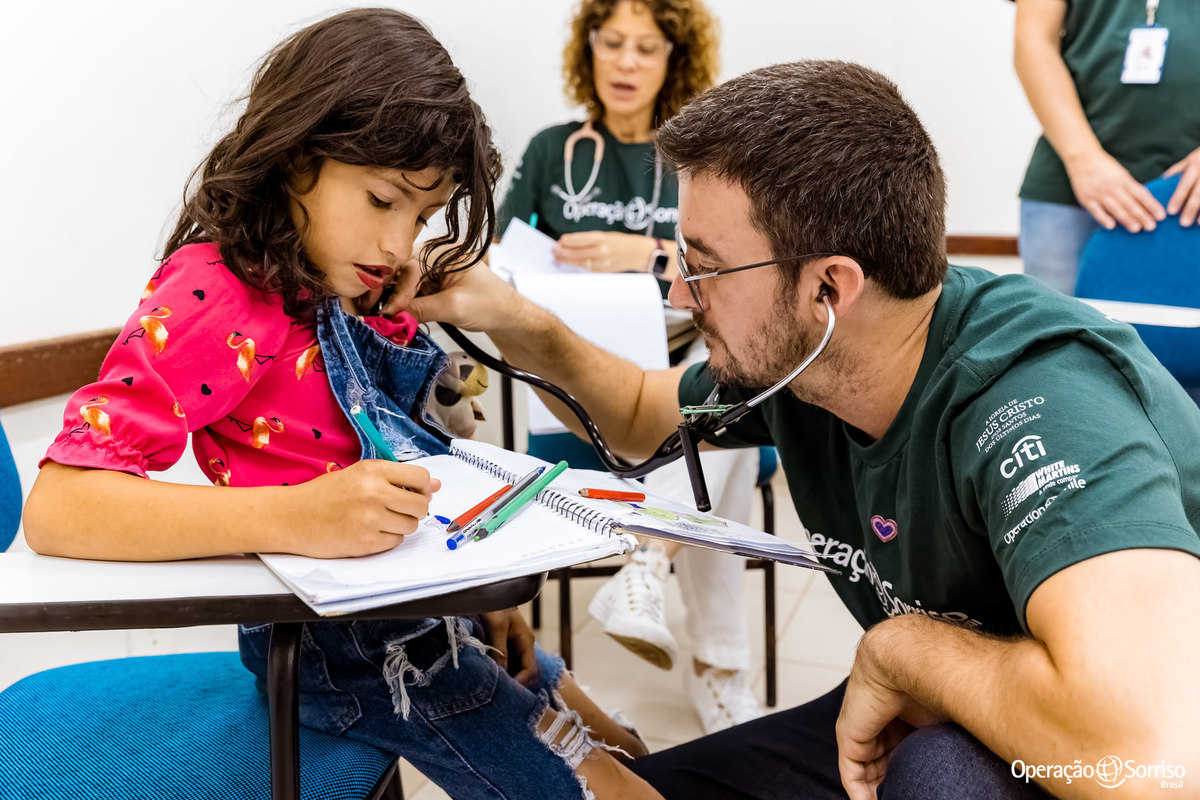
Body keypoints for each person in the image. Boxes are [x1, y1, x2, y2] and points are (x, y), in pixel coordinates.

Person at [398, 60, 1200, 798]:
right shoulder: (808, 360)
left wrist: (902, 649)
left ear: (828, 288)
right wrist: (512, 317)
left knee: (940, 776)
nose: (681, 293)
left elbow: (1148, 756)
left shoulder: (1036, 400)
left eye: (704, 264)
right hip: (948, 704)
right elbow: (644, 414)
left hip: (1109, 747)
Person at [20, 10, 659, 799]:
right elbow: (59, 505)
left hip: (434, 617)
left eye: (420, 218)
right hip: (350, 657)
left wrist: (474, 598)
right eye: (383, 200)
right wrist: (297, 515)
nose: (398, 245)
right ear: (296, 157)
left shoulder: (355, 283)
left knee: (632, 753)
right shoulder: (215, 298)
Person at [497, 0, 763, 733]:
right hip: (580, 386)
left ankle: (649, 567)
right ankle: (717, 662)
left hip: (681, 363)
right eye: (611, 44)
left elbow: (742, 268)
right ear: (588, 53)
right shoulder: (556, 150)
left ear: (675, 61)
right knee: (725, 433)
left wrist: (638, 255)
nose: (624, 63)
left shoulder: (704, 156)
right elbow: (497, 265)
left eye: (646, 48)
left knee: (729, 401)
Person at [1013, 0, 1200, 293]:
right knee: (1055, 332)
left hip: (1192, 194)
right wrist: (1083, 159)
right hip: (1070, 187)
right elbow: (1033, 42)